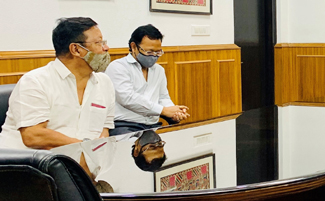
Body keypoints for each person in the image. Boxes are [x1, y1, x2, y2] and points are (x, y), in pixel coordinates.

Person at [0, 17, 114, 150]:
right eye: (98, 42)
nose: (106, 48)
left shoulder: (104, 82)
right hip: (29, 164)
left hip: (81, 161)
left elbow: (104, 129)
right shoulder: (35, 81)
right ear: (76, 49)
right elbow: (33, 136)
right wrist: (84, 148)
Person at [105, 25, 188, 136]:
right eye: (149, 52)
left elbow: (163, 97)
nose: (154, 56)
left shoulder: (159, 70)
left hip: (152, 126)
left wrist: (174, 112)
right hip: (125, 126)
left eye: (158, 52)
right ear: (134, 47)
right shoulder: (118, 67)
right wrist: (163, 111)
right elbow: (128, 98)